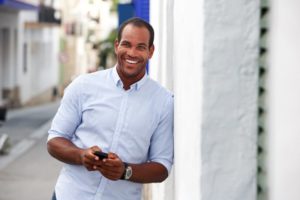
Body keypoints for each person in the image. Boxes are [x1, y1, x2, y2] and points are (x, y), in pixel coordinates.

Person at [47, 17, 174, 200]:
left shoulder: (163, 101)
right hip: (70, 195)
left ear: (151, 51)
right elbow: (54, 141)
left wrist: (125, 171)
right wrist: (81, 155)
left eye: (140, 47)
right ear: (116, 46)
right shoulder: (83, 86)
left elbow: (162, 167)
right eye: (126, 44)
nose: (132, 53)